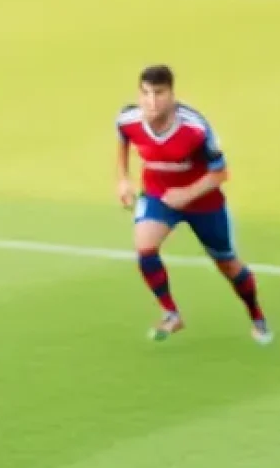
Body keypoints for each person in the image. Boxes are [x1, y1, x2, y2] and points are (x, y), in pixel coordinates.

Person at [115, 64, 270, 343]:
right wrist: (123, 178)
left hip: (203, 202)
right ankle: (172, 314)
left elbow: (220, 173)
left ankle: (256, 316)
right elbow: (122, 139)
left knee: (227, 263)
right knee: (144, 247)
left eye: (159, 93)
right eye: (146, 93)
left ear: (172, 94)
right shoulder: (128, 119)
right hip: (158, 196)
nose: (152, 101)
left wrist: (186, 194)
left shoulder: (195, 128)